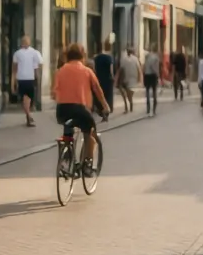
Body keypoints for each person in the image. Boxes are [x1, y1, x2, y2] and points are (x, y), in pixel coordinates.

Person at [53, 42, 109, 171]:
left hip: (62, 110)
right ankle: (87, 165)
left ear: (67, 56)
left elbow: (53, 92)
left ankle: (65, 158)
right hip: (80, 109)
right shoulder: (87, 71)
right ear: (82, 56)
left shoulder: (60, 71)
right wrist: (105, 106)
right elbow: (97, 90)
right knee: (89, 132)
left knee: (68, 127)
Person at [11, 36, 43, 127]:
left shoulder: (20, 53)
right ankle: (28, 116)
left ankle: (28, 115)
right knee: (27, 98)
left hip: (24, 78)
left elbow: (14, 69)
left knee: (26, 98)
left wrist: (13, 82)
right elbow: (39, 65)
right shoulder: (33, 53)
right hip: (27, 78)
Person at [93, 38, 115, 122]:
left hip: (99, 79)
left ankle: (102, 112)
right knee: (108, 96)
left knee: (100, 96)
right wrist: (112, 77)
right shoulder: (109, 58)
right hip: (108, 80)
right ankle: (106, 114)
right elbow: (111, 69)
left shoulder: (96, 58)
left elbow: (94, 69)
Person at [117, 46, 139, 113]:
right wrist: (139, 79)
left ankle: (127, 107)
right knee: (129, 94)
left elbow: (120, 69)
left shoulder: (124, 59)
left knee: (125, 94)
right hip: (132, 79)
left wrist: (117, 79)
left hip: (124, 79)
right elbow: (139, 69)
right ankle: (130, 106)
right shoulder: (135, 59)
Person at [142, 48, 160, 115]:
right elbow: (154, 67)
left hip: (147, 75)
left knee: (147, 91)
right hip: (153, 75)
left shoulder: (147, 56)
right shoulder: (156, 57)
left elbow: (144, 66)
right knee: (154, 91)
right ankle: (154, 109)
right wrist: (157, 74)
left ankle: (148, 108)